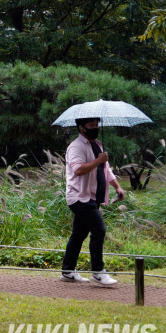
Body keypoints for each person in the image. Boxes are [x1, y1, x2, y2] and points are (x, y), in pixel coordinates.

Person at [61, 117, 124, 285]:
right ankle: (98, 271)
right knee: (99, 230)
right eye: (91, 126)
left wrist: (117, 187)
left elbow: (106, 169)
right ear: (82, 128)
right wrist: (98, 160)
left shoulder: (97, 144)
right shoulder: (76, 147)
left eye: (96, 125)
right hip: (79, 196)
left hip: (93, 195)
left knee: (79, 234)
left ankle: (67, 270)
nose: (95, 128)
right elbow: (78, 169)